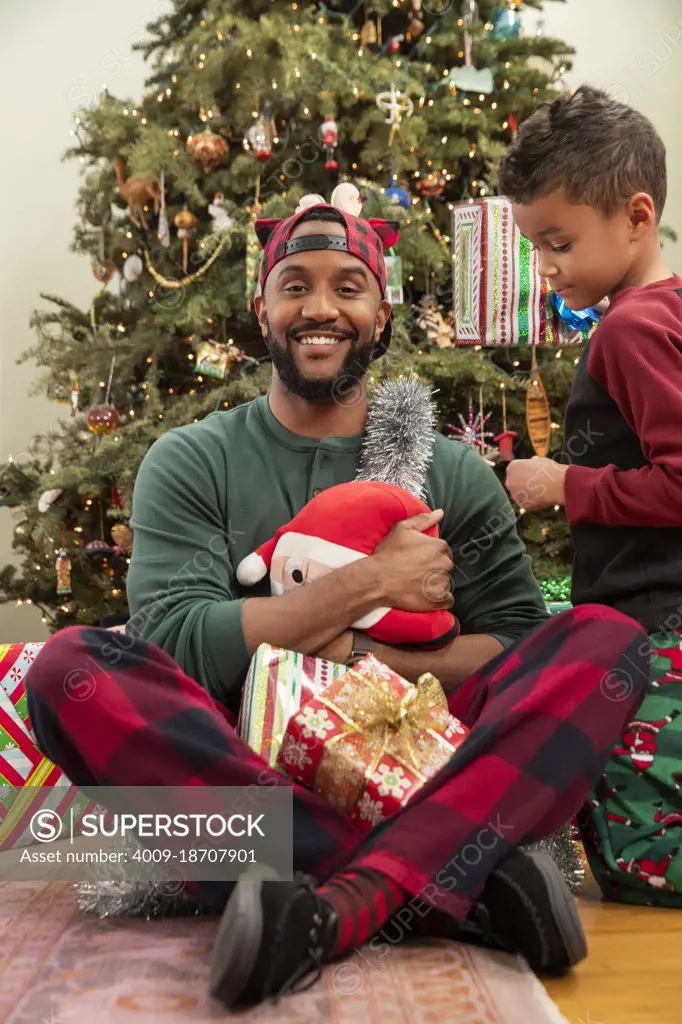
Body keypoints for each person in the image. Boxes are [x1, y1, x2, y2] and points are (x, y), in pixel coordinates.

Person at [23, 187, 650, 1009]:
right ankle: (450, 879)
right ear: (262, 309)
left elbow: (514, 641)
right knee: (71, 668)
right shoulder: (191, 460)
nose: (321, 308)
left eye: (347, 287)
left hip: (422, 763)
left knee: (604, 639)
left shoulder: (453, 472)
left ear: (382, 315)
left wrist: (361, 652)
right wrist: (375, 582)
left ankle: (332, 903)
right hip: (241, 767)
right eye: (296, 287)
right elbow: (176, 643)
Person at [501, 85, 682, 905]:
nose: (548, 268)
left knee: (642, 857)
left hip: (652, 629)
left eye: (560, 243)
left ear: (636, 217)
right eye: (538, 247)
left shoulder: (631, 328)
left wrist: (560, 482)